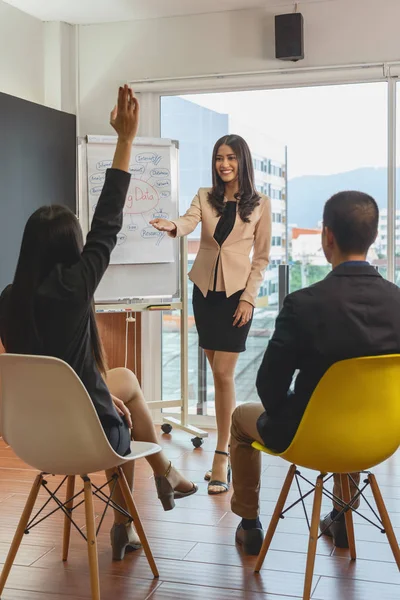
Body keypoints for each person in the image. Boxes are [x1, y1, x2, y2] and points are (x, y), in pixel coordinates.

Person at [0, 85, 197, 562]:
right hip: (84, 434)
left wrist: (99, 392)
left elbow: (54, 371)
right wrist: (125, 140)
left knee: (124, 381)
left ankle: (163, 474)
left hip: (33, 435)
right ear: (71, 249)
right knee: (122, 404)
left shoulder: (8, 299)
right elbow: (107, 221)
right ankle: (132, 514)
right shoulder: (73, 289)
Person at [230, 190, 400, 555]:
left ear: (328, 237)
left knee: (239, 420)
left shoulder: (304, 304)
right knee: (352, 410)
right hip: (382, 436)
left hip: (310, 435)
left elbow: (269, 387)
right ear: (372, 238)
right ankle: (341, 517)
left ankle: (249, 525)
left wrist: (295, 408)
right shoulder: (397, 301)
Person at [150, 135, 271, 495]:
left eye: (231, 157)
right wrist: (172, 226)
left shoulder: (261, 204)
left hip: (237, 298)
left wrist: (249, 299)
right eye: (219, 157)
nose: (224, 164)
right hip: (204, 293)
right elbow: (187, 223)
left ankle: (223, 453)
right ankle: (227, 452)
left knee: (223, 373)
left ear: (242, 162)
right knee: (218, 378)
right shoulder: (205, 196)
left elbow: (261, 258)